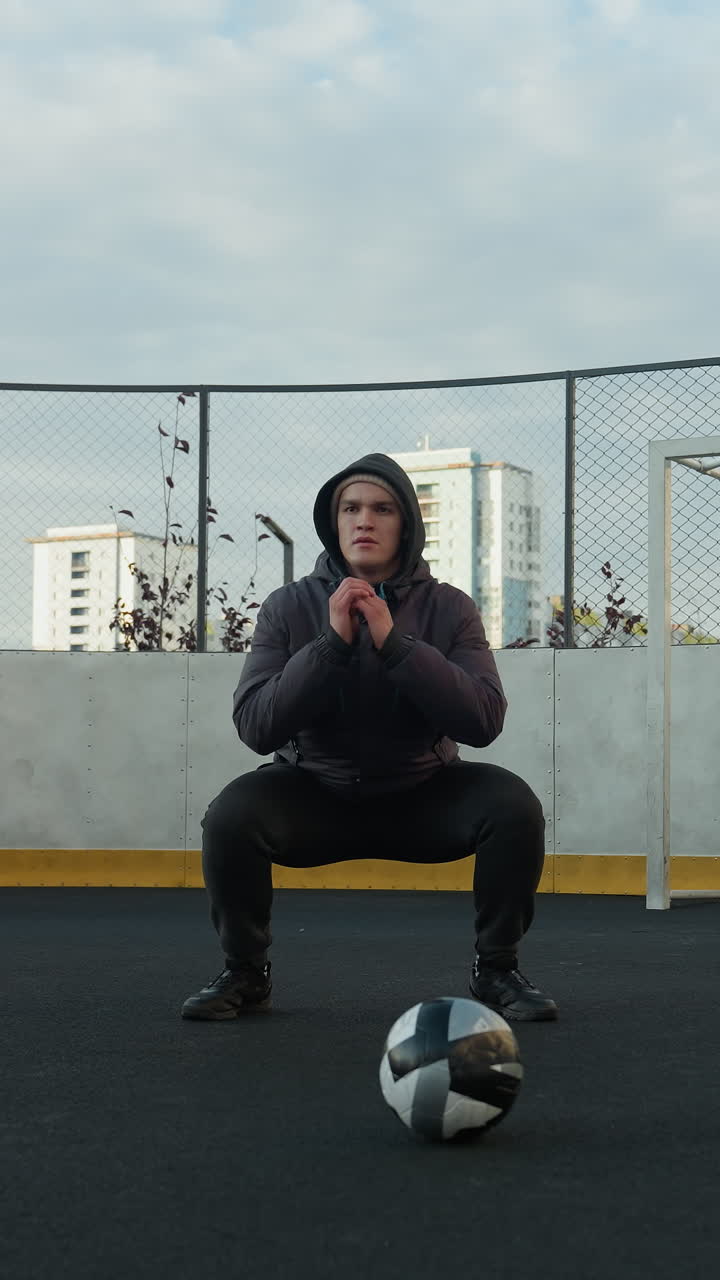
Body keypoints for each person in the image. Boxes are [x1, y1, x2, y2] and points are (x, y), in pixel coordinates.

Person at [182, 453, 558, 1023]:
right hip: (316, 793)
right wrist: (330, 644)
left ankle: (498, 968)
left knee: (513, 807)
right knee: (230, 817)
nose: (364, 520)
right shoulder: (289, 607)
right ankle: (245, 972)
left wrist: (396, 645)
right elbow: (257, 727)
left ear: (405, 523)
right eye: (350, 508)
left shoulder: (450, 608)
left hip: (422, 792)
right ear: (333, 524)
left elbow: (482, 721)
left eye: (382, 509)